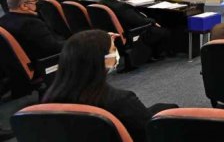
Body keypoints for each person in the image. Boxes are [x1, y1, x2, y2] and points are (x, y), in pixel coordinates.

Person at [42, 30, 177, 142]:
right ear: (100, 60)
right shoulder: (121, 100)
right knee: (171, 111)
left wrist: (101, 39)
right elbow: (149, 132)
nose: (115, 53)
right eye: (113, 49)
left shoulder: (48, 102)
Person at [98, 0, 171, 59]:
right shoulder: (121, 7)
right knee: (164, 31)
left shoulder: (101, 3)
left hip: (109, 33)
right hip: (130, 32)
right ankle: (156, 55)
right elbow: (139, 21)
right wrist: (152, 21)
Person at [0, 0, 64, 62]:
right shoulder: (31, 24)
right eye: (36, 0)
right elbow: (53, 49)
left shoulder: (3, 19)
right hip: (42, 64)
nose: (40, 2)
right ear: (24, 6)